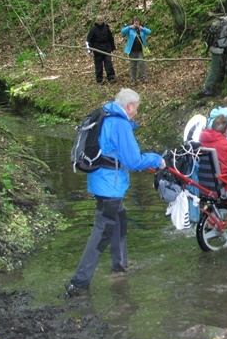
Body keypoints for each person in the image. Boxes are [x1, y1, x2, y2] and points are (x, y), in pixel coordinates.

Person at [66, 88, 165, 296]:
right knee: (102, 232)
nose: (137, 112)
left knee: (119, 220)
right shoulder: (119, 124)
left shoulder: (104, 114)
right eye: (136, 108)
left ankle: (120, 266)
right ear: (129, 106)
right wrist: (158, 160)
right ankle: (79, 283)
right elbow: (133, 161)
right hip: (109, 184)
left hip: (101, 181)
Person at [86, 15, 116, 85]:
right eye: (98, 20)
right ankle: (99, 79)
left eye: (101, 20)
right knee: (98, 66)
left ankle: (111, 77)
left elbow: (111, 38)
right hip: (97, 50)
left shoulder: (106, 28)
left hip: (106, 49)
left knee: (108, 64)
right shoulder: (93, 30)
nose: (100, 22)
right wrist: (89, 50)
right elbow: (88, 41)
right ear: (96, 21)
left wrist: (112, 47)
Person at [121, 17, 152, 84]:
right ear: (133, 22)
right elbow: (122, 31)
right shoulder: (130, 29)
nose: (136, 22)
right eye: (135, 21)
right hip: (132, 50)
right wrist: (129, 27)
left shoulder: (141, 29)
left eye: (138, 21)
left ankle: (144, 77)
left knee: (141, 63)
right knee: (133, 66)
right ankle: (133, 80)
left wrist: (142, 28)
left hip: (140, 50)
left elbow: (149, 32)